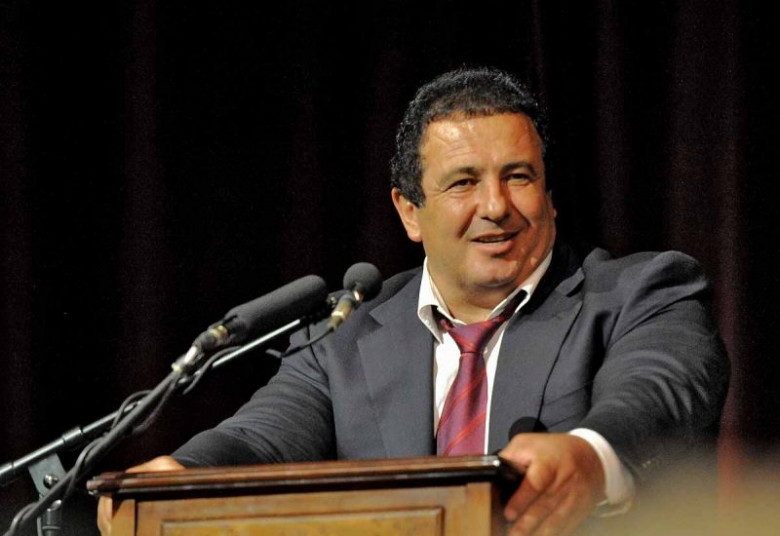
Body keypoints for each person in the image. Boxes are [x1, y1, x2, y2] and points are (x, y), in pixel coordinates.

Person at [98, 67, 729, 535]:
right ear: (409, 211)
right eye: (463, 183)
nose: (496, 206)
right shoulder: (346, 331)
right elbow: (263, 437)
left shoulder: (640, 293)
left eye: (519, 176)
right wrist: (180, 473)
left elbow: (658, 392)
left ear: (549, 193)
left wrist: (591, 455)